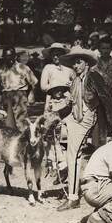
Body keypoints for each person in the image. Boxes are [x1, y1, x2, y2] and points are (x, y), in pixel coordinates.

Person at [57, 46, 112, 212]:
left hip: (86, 118)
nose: (75, 66)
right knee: (68, 152)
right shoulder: (76, 80)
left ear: (86, 63)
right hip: (74, 117)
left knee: (73, 155)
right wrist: (62, 115)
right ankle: (72, 191)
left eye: (78, 62)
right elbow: (72, 103)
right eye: (73, 63)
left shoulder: (93, 77)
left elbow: (105, 98)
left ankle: (73, 197)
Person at [40, 43, 75, 179]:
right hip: (53, 101)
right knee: (51, 133)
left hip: (66, 101)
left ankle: (65, 164)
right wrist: (56, 86)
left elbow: (75, 83)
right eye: (54, 54)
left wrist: (69, 86)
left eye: (59, 54)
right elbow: (43, 87)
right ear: (50, 55)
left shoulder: (68, 69)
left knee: (65, 131)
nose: (56, 56)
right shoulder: (48, 68)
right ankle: (52, 164)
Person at [90, 36, 112, 148]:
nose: (105, 51)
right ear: (99, 49)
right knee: (100, 129)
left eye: (108, 48)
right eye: (103, 48)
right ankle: (99, 150)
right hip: (99, 102)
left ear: (111, 49)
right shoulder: (94, 67)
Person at [0, 46, 38, 131]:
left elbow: (33, 82)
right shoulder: (1, 71)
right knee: (7, 122)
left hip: (20, 95)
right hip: (6, 96)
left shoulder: (23, 68)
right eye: (6, 56)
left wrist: (31, 95)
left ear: (15, 56)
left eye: (10, 56)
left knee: (21, 121)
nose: (9, 59)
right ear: (4, 57)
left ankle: (23, 139)